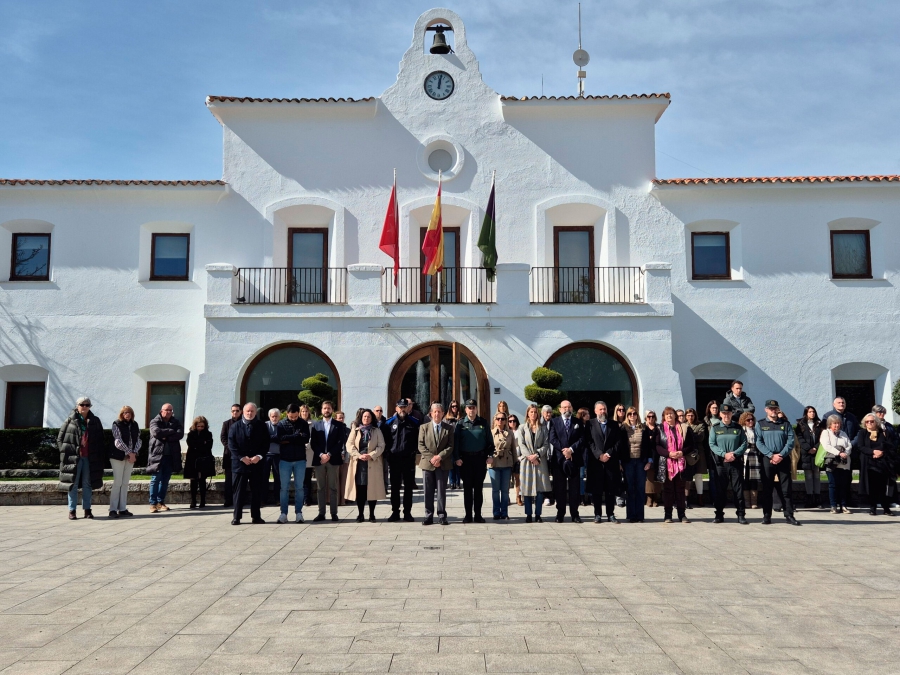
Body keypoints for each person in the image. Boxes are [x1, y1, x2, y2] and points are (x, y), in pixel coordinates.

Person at [58, 397, 105, 520]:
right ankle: (72, 510)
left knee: (87, 484)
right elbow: (60, 439)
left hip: (89, 458)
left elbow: (101, 439)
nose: (84, 406)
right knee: (72, 484)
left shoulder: (95, 421)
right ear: (77, 406)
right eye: (82, 404)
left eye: (87, 404)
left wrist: (98, 455)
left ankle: (87, 510)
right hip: (74, 458)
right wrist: (66, 452)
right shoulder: (70, 420)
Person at [755, 400, 800, 525]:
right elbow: (758, 442)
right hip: (767, 459)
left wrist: (780, 455)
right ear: (766, 410)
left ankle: (789, 515)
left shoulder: (785, 424)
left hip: (783, 458)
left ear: (778, 409)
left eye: (775, 408)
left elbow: (790, 442)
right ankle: (767, 516)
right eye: (770, 408)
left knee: (786, 489)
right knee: (767, 489)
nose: (773, 411)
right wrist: (770, 455)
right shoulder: (761, 424)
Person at [227, 402, 268, 525]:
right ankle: (237, 517)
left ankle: (256, 517)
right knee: (238, 492)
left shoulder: (262, 426)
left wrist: (259, 456)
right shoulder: (235, 427)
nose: (249, 413)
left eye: (252, 411)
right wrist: (241, 457)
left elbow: (266, 444)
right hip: (240, 465)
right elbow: (231, 444)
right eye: (247, 411)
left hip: (256, 464)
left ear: (256, 412)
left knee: (257, 491)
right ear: (243, 412)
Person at [453, 399, 492, 523]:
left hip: (480, 460)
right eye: (469, 407)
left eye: (473, 407)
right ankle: (468, 515)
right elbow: (456, 443)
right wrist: (457, 458)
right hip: (466, 461)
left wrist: (490, 455)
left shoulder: (483, 423)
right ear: (465, 410)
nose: (471, 410)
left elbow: (490, 442)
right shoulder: (460, 424)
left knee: (478, 489)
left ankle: (478, 515)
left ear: (476, 409)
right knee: (467, 489)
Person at [708, 404, 748, 524]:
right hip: (721, 463)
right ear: (720, 414)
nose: (726, 416)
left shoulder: (738, 427)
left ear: (732, 414)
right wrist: (724, 454)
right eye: (724, 413)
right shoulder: (715, 428)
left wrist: (734, 454)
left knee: (738, 490)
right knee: (720, 490)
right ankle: (719, 514)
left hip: (735, 462)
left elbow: (744, 443)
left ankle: (741, 514)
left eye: (729, 413)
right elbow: (712, 444)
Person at [584, 401, 623, 524]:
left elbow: (618, 442)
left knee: (610, 490)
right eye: (600, 409)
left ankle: (611, 514)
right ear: (595, 411)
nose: (603, 411)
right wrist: (599, 455)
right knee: (597, 490)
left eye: (604, 409)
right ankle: (597, 514)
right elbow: (589, 442)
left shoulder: (614, 424)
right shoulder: (590, 424)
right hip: (596, 463)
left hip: (611, 462)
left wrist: (608, 453)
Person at [345, 408, 386, 522]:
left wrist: (371, 455)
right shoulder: (356, 430)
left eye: (368, 416)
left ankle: (372, 514)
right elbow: (349, 445)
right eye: (364, 417)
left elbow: (381, 445)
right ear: (361, 418)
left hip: (372, 463)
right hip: (359, 464)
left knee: (372, 489)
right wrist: (358, 455)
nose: (366, 418)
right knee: (360, 489)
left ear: (372, 418)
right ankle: (360, 514)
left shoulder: (376, 430)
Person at [548, 400, 585, 523]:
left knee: (574, 488)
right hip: (559, 460)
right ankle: (560, 513)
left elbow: (582, 439)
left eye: (569, 407)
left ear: (572, 408)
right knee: (560, 488)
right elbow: (552, 438)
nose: (566, 409)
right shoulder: (554, 422)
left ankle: (575, 514)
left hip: (574, 459)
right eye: (564, 407)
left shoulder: (578, 422)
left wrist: (571, 449)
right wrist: (564, 450)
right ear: (560, 409)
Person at [384, 398, 420, 521]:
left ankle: (407, 512)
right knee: (395, 487)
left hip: (408, 459)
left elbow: (417, 440)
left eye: (405, 407)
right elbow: (386, 441)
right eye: (400, 407)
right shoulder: (389, 423)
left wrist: (413, 452)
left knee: (408, 487)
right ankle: (395, 512)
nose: (402, 409)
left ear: (408, 408)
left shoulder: (414, 422)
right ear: (396, 408)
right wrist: (388, 455)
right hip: (394, 460)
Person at [310, 401, 347, 522]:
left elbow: (340, 442)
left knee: (333, 487)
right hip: (319, 460)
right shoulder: (316, 425)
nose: (326, 410)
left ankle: (334, 513)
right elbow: (313, 443)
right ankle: (321, 513)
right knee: (320, 487)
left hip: (333, 459)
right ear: (321, 410)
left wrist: (329, 454)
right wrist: (321, 454)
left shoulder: (338, 425)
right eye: (324, 408)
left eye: (329, 408)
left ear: (332, 410)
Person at [418, 402, 454, 525]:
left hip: (443, 464)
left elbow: (450, 446)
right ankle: (428, 515)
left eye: (439, 411)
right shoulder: (424, 427)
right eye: (435, 412)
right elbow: (421, 445)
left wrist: (439, 457)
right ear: (431, 414)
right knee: (428, 491)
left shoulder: (449, 428)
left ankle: (442, 515)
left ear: (443, 413)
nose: (437, 414)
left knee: (441, 491)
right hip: (428, 464)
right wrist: (432, 458)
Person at [657, 407, 694, 524]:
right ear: (664, 416)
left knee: (680, 490)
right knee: (668, 490)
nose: (669, 416)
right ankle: (668, 515)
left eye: (671, 414)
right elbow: (657, 446)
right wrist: (669, 454)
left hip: (681, 463)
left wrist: (682, 452)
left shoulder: (684, 428)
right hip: (667, 464)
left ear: (675, 415)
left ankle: (682, 515)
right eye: (667, 414)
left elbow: (691, 445)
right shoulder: (660, 429)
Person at [820, 397, 861, 504]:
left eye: (843, 402)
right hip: (832, 455)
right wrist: (837, 451)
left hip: (848, 453)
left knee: (847, 478)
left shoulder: (851, 417)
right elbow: (824, 433)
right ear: (834, 404)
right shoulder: (827, 416)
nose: (841, 404)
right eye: (839, 402)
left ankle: (846, 500)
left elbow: (858, 432)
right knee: (834, 480)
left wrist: (851, 445)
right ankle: (835, 501)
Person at [515, 404, 552, 523]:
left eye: (535, 412)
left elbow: (546, 444)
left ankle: (538, 514)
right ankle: (528, 514)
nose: (533, 414)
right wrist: (530, 457)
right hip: (527, 462)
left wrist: (537, 455)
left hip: (540, 461)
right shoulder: (522, 427)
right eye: (531, 412)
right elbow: (521, 444)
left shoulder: (543, 428)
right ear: (527, 413)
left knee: (540, 489)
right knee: (527, 489)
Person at [276, 403, 311, 523]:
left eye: (296, 416)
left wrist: (289, 439)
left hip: (300, 459)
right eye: (292, 417)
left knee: (299, 487)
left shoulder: (303, 423)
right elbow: (280, 439)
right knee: (284, 488)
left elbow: (305, 438)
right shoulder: (281, 424)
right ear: (287, 414)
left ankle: (299, 513)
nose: (294, 419)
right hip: (285, 459)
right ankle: (283, 513)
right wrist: (296, 436)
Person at [856, 414, 896, 516]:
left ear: (876, 422)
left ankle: (886, 508)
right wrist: (873, 452)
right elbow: (860, 446)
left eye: (872, 421)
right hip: (868, 463)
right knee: (871, 486)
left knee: (883, 486)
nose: (869, 423)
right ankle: (872, 507)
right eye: (867, 421)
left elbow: (888, 445)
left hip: (882, 463)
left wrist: (880, 452)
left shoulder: (883, 433)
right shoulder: (862, 433)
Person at [148, 403, 184, 513]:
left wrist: (165, 435)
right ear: (161, 410)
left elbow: (180, 434)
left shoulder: (176, 422)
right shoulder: (155, 421)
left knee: (165, 480)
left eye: (170, 410)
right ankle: (153, 504)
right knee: (155, 479)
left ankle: (160, 502)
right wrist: (171, 431)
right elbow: (156, 432)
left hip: (170, 456)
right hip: (157, 455)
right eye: (166, 410)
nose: (168, 412)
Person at [621, 407, 653, 523]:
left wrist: (649, 461)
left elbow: (649, 446)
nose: (632, 416)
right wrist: (620, 462)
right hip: (628, 461)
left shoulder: (643, 428)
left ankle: (639, 515)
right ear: (627, 416)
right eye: (630, 414)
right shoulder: (623, 428)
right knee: (630, 488)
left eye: (634, 414)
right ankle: (631, 515)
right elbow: (620, 446)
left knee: (640, 488)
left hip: (640, 462)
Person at [109, 405, 140, 518]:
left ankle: (122, 508)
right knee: (118, 482)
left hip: (130, 457)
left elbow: (138, 440)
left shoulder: (135, 424)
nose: (127, 414)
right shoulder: (116, 424)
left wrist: (134, 452)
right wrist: (129, 452)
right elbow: (118, 441)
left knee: (125, 483)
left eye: (129, 413)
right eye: (125, 413)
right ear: (121, 414)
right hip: (117, 456)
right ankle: (112, 509)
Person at [820, 414, 852, 514]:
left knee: (843, 485)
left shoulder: (843, 433)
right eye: (834, 423)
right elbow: (826, 446)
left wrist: (845, 453)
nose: (837, 425)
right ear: (830, 424)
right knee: (833, 484)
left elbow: (849, 445)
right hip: (832, 462)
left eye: (838, 423)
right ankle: (833, 506)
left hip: (844, 462)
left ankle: (843, 506)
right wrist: (838, 453)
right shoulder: (826, 433)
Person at [488, 409, 517, 520]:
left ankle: (504, 512)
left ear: (505, 421)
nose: (500, 421)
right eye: (498, 419)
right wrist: (488, 458)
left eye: (503, 419)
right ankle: (496, 512)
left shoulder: (510, 433)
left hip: (506, 463)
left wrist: (515, 463)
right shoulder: (490, 433)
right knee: (495, 490)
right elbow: (487, 448)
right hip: (494, 463)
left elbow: (514, 449)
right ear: (495, 420)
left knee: (505, 490)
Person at [795, 406, 823, 508]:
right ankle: (809, 498)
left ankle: (817, 499)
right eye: (810, 412)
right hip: (806, 453)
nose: (812, 413)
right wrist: (808, 448)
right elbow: (799, 438)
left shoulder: (819, 424)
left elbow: (822, 438)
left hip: (817, 452)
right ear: (806, 413)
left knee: (816, 475)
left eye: (813, 412)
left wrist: (815, 448)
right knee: (808, 476)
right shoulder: (801, 424)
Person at [184, 416, 214, 509]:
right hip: (192, 459)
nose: (200, 428)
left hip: (203, 459)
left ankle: (203, 500)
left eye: (202, 426)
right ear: (195, 426)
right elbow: (191, 444)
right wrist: (202, 443)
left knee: (202, 480)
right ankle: (193, 500)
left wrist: (200, 444)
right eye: (198, 426)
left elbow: (208, 445)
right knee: (193, 480)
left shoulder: (208, 434)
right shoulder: (191, 434)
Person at [872, 405, 899, 508]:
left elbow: (895, 438)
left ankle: (892, 500)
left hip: (890, 455)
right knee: (879, 479)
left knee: (891, 478)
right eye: (879, 412)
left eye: (883, 412)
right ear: (874, 413)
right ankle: (879, 500)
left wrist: (891, 447)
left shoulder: (889, 425)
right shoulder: (872, 425)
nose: (881, 414)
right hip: (878, 456)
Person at [684, 408, 707, 507]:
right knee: (687, 477)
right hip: (687, 453)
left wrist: (689, 436)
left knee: (698, 475)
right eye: (688, 415)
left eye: (692, 415)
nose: (690, 417)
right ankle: (686, 499)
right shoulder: (683, 425)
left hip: (698, 453)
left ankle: (700, 498)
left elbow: (700, 437)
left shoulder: (700, 425)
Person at [220, 404, 241, 508]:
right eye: (233, 411)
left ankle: (240, 499)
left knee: (241, 479)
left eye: (237, 410)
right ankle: (228, 500)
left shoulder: (244, 423)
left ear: (241, 411)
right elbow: (223, 438)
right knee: (229, 479)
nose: (235, 412)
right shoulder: (226, 424)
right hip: (229, 455)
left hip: (241, 455)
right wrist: (231, 448)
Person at [741, 412, 761, 510]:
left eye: (752, 419)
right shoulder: (742, 430)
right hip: (744, 455)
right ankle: (747, 502)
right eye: (748, 420)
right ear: (744, 421)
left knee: (754, 478)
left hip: (754, 454)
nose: (751, 421)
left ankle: (754, 501)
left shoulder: (756, 430)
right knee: (745, 478)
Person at [262, 408, 282, 506]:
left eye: (276, 416)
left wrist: (271, 438)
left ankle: (277, 499)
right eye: (272, 416)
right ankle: (263, 499)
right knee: (264, 477)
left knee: (278, 478)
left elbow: (282, 438)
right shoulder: (264, 425)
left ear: (279, 417)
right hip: (266, 455)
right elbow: (263, 438)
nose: (274, 418)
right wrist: (275, 438)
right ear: (269, 417)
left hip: (278, 455)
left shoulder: (282, 425)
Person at [703, 401, 721, 505]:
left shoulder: (722, 419)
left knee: (721, 474)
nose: (714, 409)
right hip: (710, 451)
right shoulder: (706, 421)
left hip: (722, 450)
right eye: (712, 408)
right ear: (709, 409)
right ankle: (714, 498)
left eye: (716, 408)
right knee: (713, 475)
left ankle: (720, 497)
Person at [643, 410, 662, 508]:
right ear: (646, 418)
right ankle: (649, 497)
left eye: (652, 416)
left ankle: (656, 497)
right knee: (649, 477)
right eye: (648, 416)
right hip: (646, 454)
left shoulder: (659, 428)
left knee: (657, 476)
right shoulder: (643, 427)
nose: (651, 418)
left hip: (657, 454)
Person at [299, 404, 315, 506]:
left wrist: (308, 444)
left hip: (309, 452)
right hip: (298, 453)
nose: (304, 413)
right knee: (299, 478)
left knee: (307, 477)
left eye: (306, 411)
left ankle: (307, 499)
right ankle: (300, 498)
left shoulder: (313, 424)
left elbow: (313, 436)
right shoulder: (297, 423)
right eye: (303, 411)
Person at [575, 407, 592, 507]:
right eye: (586, 414)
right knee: (581, 476)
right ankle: (581, 497)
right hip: (581, 454)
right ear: (582, 415)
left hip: (590, 453)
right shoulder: (577, 425)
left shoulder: (591, 425)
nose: (588, 416)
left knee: (590, 475)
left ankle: (590, 496)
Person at [540, 405, 556, 507]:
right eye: (546, 412)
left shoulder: (555, 423)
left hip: (553, 453)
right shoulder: (539, 424)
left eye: (550, 412)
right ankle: (546, 497)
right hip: (543, 454)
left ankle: (554, 497)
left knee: (555, 476)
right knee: (544, 477)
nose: (548, 414)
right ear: (542, 413)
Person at [444, 400, 461, 489]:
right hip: (449, 443)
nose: (454, 408)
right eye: (453, 406)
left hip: (459, 443)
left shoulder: (461, 418)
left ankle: (458, 482)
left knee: (458, 463)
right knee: (451, 463)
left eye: (456, 406)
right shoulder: (446, 419)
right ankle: (452, 482)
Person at [508, 414, 524, 507]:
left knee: (517, 479)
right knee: (507, 480)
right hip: (508, 458)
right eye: (510, 421)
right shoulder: (506, 431)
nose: (512, 423)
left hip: (518, 458)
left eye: (514, 421)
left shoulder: (520, 431)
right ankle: (507, 497)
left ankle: (518, 496)